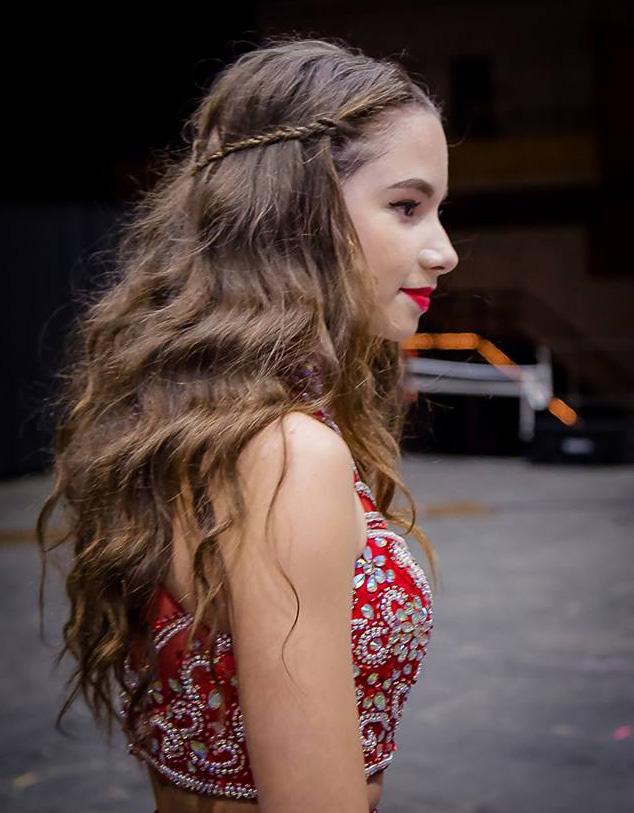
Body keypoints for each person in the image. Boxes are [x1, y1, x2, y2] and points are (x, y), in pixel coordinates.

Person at [36, 34, 459, 813]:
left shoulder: (195, 422)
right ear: (299, 209)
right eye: (407, 206)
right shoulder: (290, 454)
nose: (445, 251)